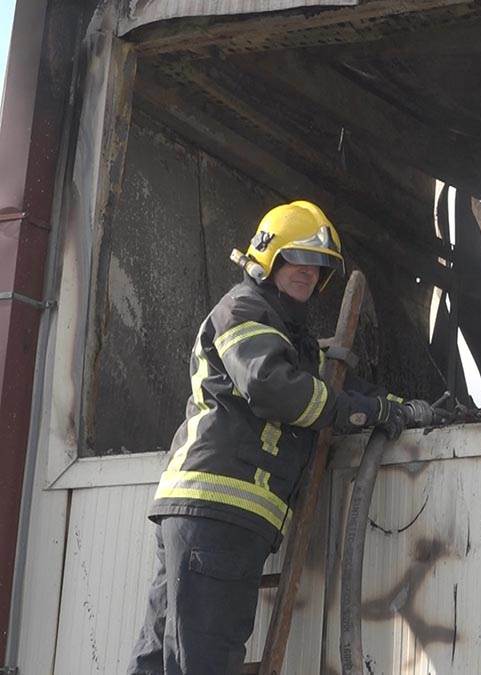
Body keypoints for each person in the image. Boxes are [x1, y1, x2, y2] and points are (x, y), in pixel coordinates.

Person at [127, 201, 438, 674]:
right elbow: (274, 388)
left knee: (159, 660)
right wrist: (362, 414)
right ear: (269, 257)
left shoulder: (290, 340)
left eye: (319, 268)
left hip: (205, 517)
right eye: (300, 259)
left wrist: (399, 407)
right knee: (206, 661)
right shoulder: (244, 308)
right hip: (221, 512)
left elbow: (339, 390)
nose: (310, 274)